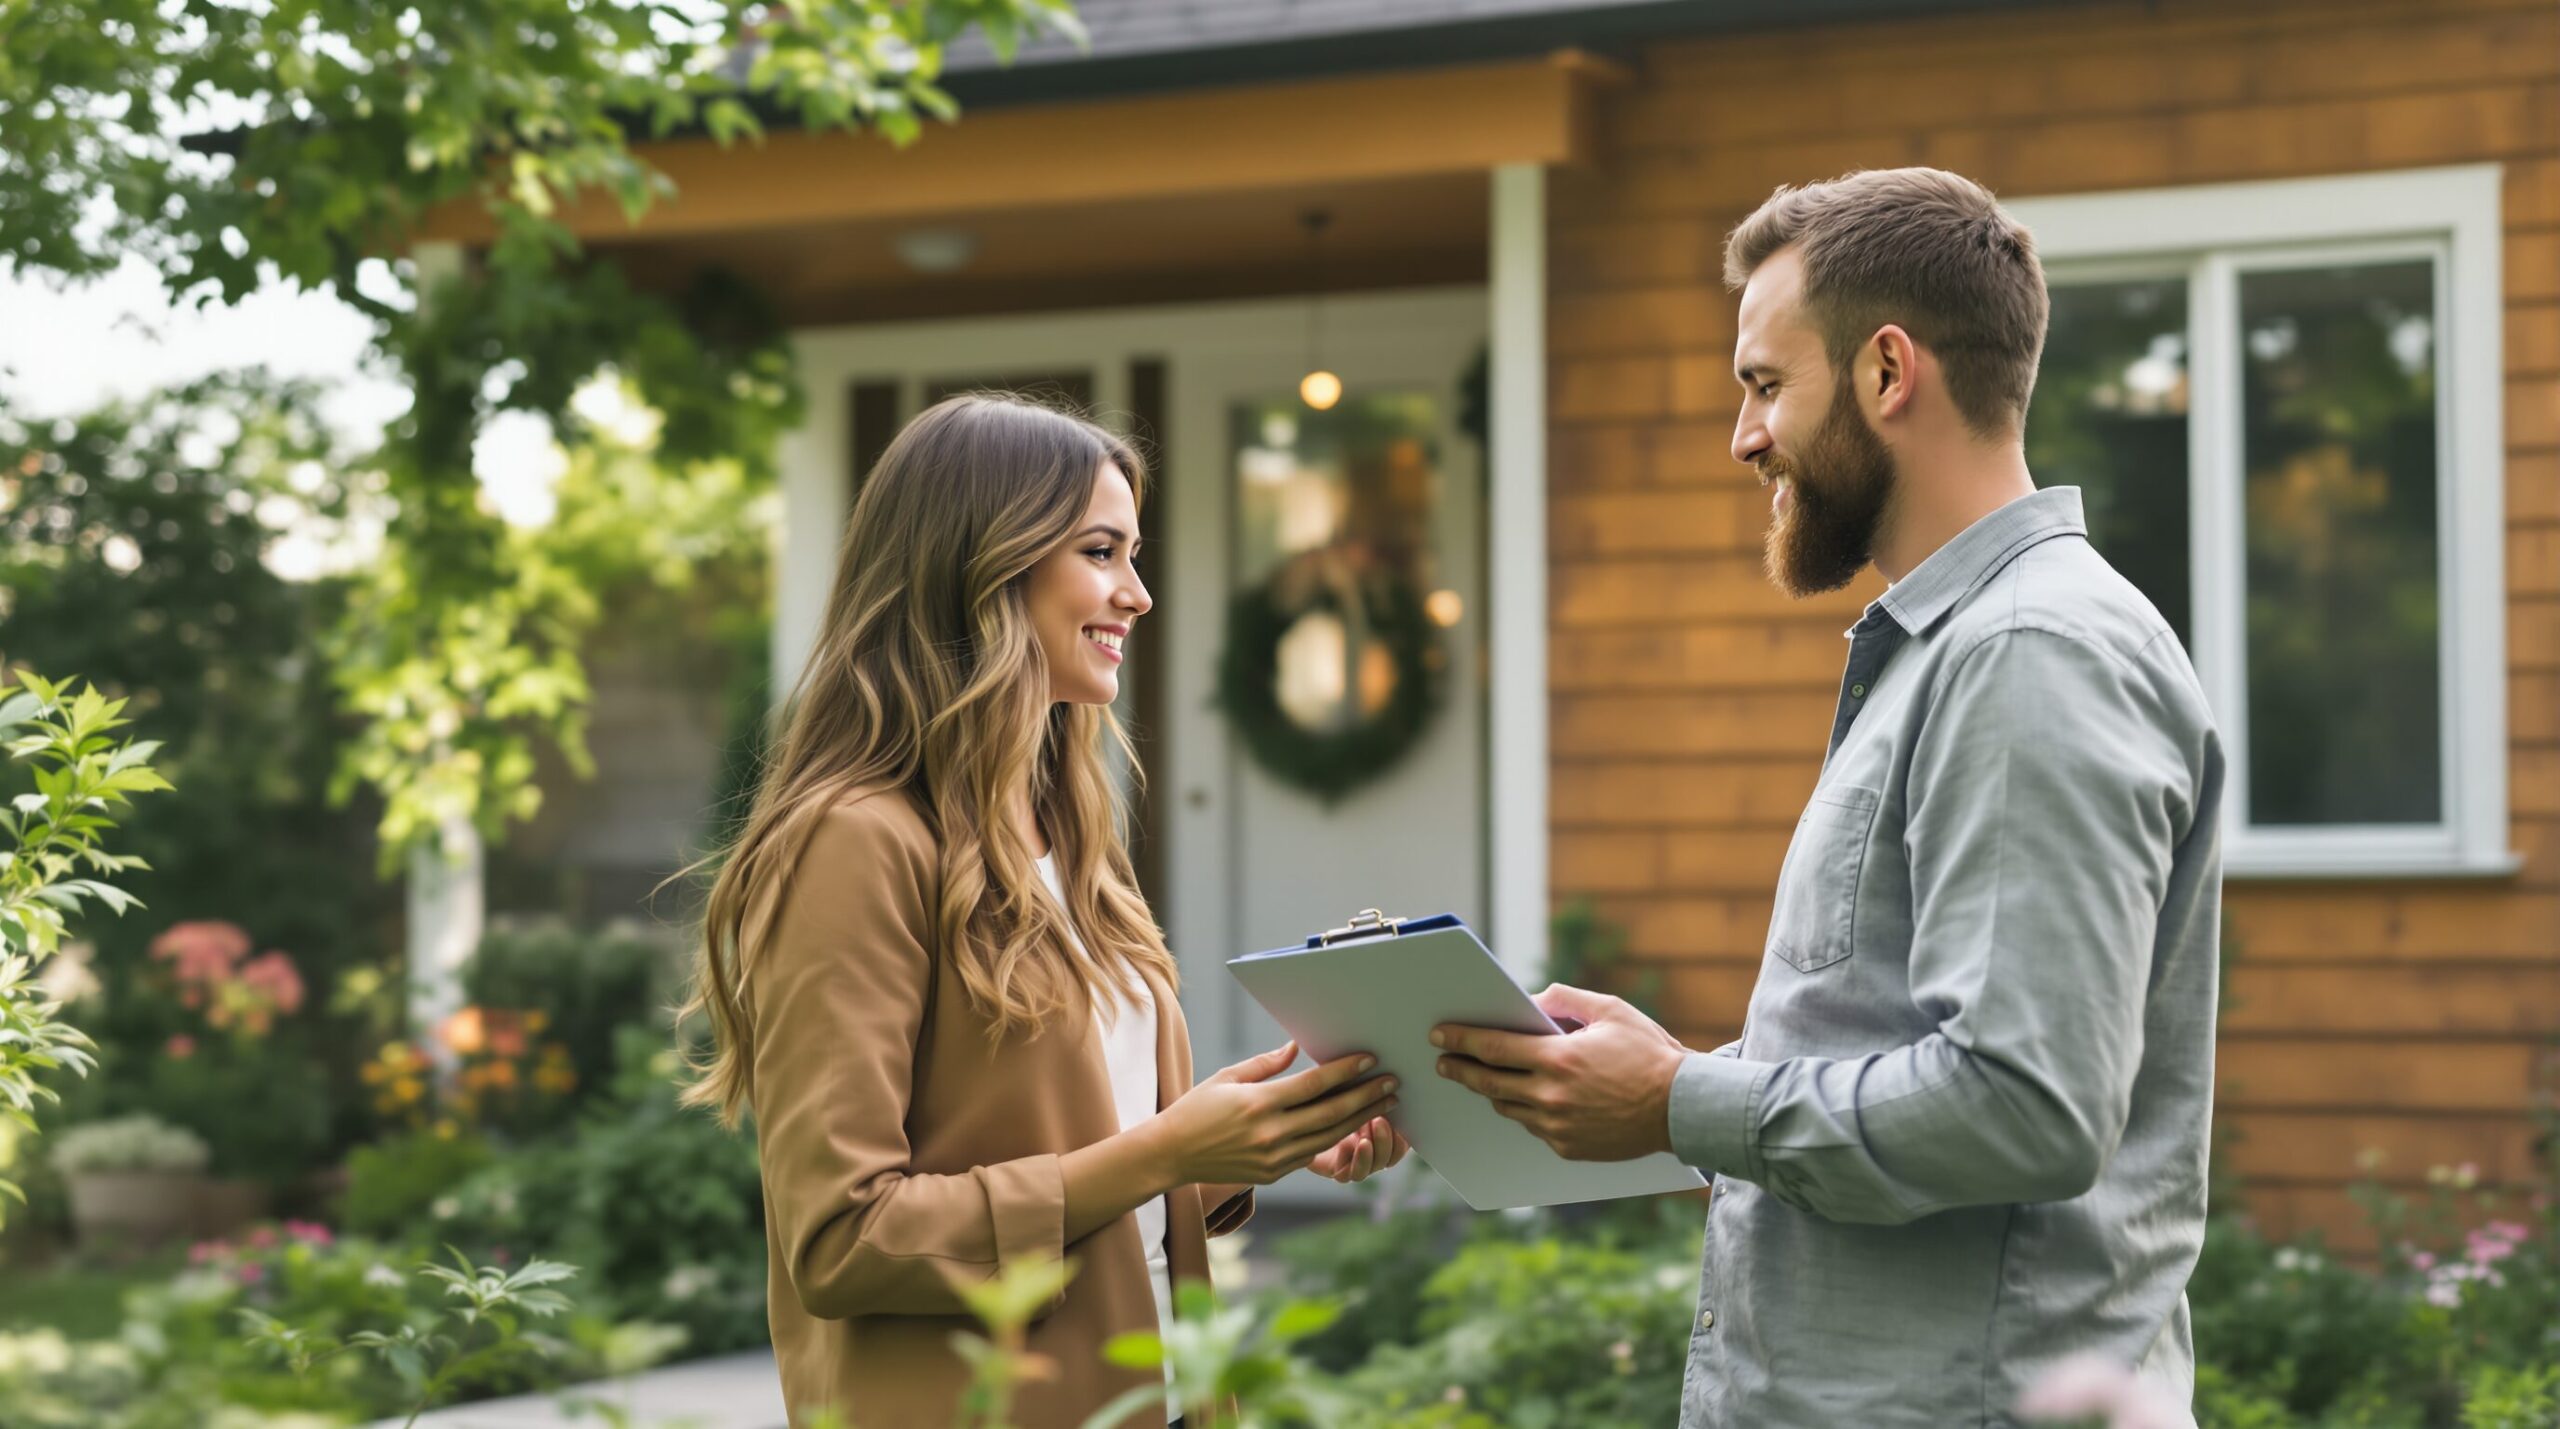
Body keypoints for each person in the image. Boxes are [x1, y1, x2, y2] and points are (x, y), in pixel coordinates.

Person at [1430, 168, 2225, 1426]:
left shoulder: (2030, 652)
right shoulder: (1950, 649)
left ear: (1886, 371)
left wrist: (1679, 1101)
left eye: (1762, 383)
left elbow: (2024, 1105)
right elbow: (1903, 1042)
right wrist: (1654, 1080)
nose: (1743, 436)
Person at [677, 393, 1409, 1429]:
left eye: (1132, 554)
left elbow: (1081, 1172)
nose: (1138, 594)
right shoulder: (854, 842)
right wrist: (1167, 1150)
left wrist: (1261, 1142)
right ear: (983, 562)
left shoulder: (1065, 834)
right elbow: (843, 1239)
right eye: (1102, 552)